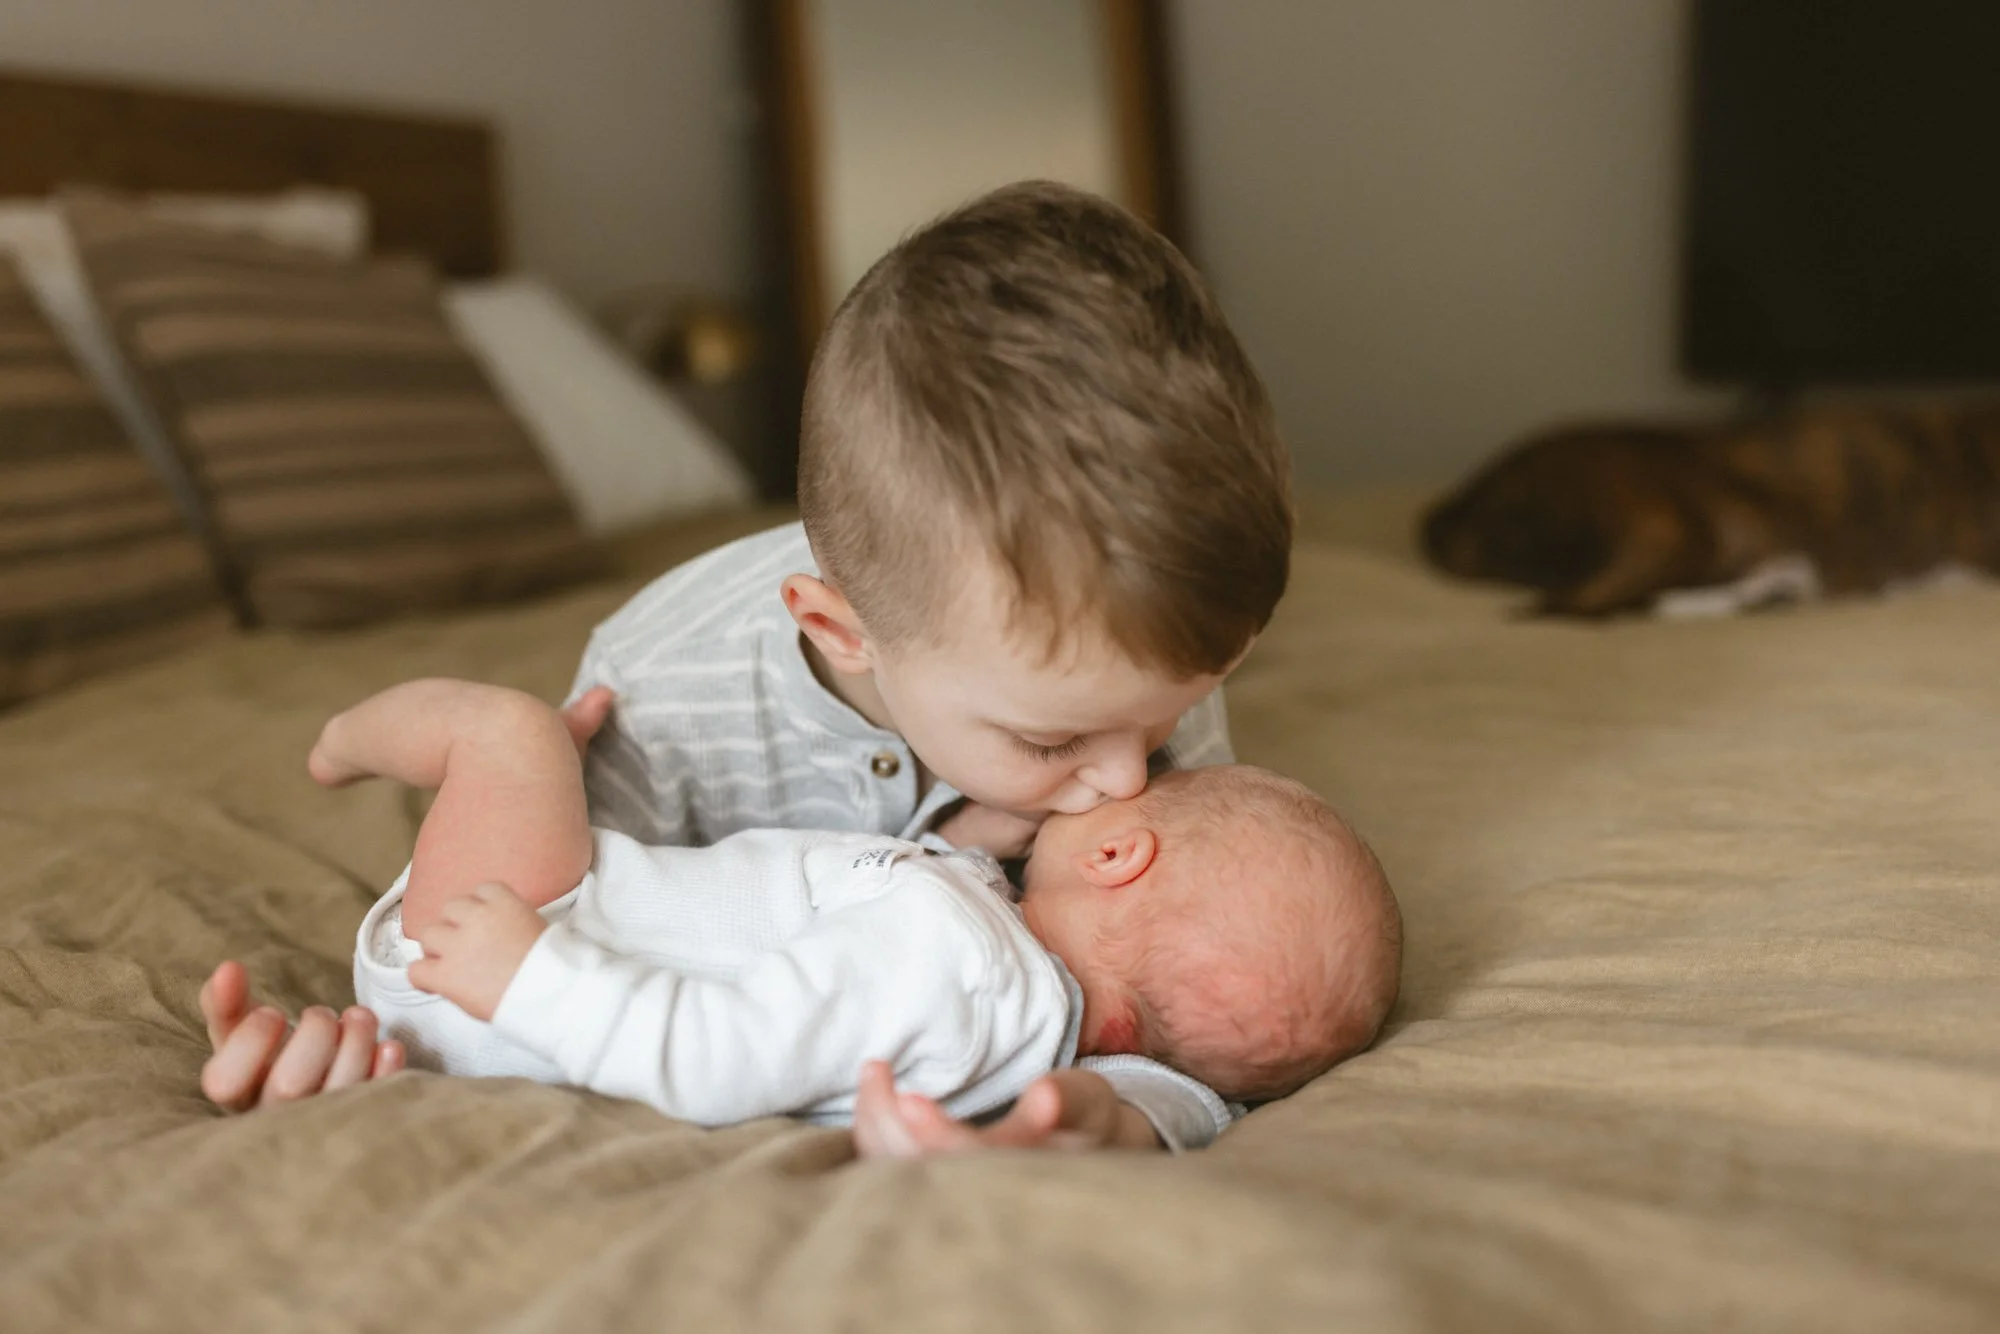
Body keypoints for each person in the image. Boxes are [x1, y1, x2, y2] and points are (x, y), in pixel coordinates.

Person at [199, 179, 1297, 1151]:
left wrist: (1126, 1107)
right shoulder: (666, 696)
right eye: (1051, 741)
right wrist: (372, 1056)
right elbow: (526, 944)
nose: (1126, 781)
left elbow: (1159, 988)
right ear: (840, 631)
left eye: (1164, 721)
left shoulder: (1131, 681)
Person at [323, 679, 1401, 1130]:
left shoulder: (956, 957)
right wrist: (972, 844)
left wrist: (532, 971)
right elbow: (885, 895)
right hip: (510, 988)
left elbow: (718, 1051)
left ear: (1119, 849)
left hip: (520, 945)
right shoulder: (1016, 1006)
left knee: (508, 731)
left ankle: (335, 746)